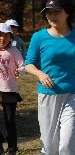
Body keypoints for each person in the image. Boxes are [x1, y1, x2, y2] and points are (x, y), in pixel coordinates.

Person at [25, 0, 75, 154]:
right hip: (48, 94)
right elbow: (28, 64)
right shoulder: (39, 37)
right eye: (49, 12)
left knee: (66, 146)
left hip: (74, 93)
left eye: (56, 11)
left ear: (67, 12)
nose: (52, 16)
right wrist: (40, 74)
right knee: (49, 147)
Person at [0, 23, 25, 155]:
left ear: (10, 37)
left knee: (9, 120)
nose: (2, 38)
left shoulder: (14, 51)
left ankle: (12, 148)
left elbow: (23, 66)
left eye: (5, 36)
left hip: (9, 90)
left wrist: (19, 71)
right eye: (0, 36)